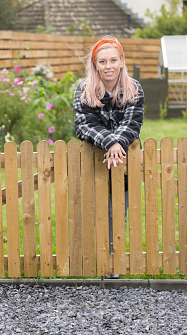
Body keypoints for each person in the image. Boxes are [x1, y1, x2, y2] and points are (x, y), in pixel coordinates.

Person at [73, 36, 144, 279]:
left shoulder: (134, 89)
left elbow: (133, 123)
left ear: (121, 61)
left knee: (118, 210)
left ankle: (113, 265)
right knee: (95, 211)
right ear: (95, 65)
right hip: (95, 159)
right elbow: (85, 125)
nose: (108, 66)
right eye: (102, 61)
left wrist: (117, 143)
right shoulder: (84, 90)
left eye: (113, 60)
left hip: (124, 161)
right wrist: (109, 141)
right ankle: (94, 261)